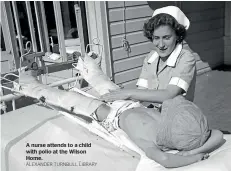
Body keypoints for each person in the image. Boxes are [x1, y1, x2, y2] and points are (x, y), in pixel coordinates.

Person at [17, 52, 224, 168]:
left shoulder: (155, 143)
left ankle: (26, 83)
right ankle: (84, 61)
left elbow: (165, 161)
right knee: (101, 81)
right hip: (130, 103)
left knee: (68, 98)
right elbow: (217, 135)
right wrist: (197, 150)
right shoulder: (182, 131)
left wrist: (193, 157)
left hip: (111, 116)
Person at [100, 6, 197, 109]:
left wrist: (128, 93)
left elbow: (169, 95)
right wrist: (115, 98)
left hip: (180, 116)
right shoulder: (151, 59)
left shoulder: (185, 58)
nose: (161, 44)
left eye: (166, 38)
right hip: (156, 114)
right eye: (156, 38)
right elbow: (141, 92)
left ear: (177, 36)